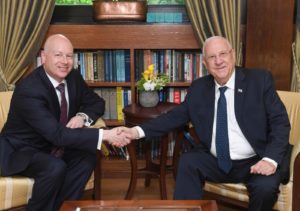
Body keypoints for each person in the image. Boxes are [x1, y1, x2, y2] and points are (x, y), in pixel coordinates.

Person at [120, 36, 291, 211]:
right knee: (187, 163)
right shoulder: (199, 88)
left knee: (266, 188)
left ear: (233, 55)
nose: (219, 61)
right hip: (216, 160)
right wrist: (136, 132)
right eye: (212, 57)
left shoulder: (259, 81)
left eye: (223, 54)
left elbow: (280, 123)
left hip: (255, 160)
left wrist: (270, 160)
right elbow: (173, 117)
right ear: (205, 63)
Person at [0, 34, 130, 211]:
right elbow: (57, 134)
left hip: (54, 145)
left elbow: (97, 103)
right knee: (54, 167)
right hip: (22, 150)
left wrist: (81, 116)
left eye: (69, 56)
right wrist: (107, 135)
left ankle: (63, 208)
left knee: (87, 157)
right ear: (44, 57)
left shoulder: (72, 77)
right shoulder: (29, 90)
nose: (65, 61)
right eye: (58, 55)